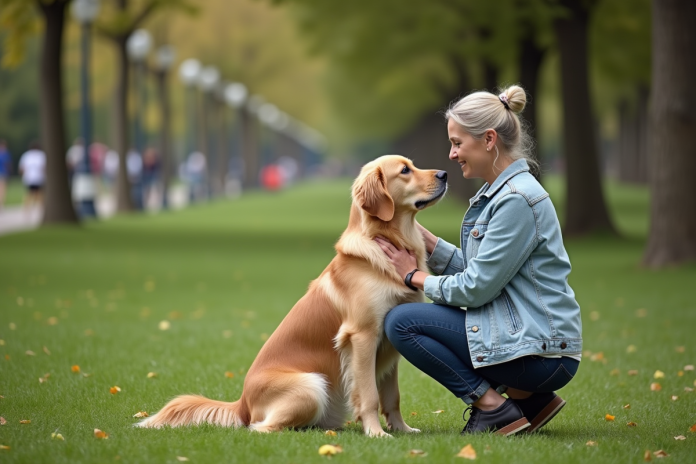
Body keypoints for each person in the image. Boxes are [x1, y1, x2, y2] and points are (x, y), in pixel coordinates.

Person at [374, 85, 582, 436]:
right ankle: (530, 401)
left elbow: (476, 289)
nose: (452, 154)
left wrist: (414, 276)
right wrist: (430, 244)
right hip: (534, 342)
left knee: (402, 322)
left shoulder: (516, 200)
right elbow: (488, 274)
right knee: (410, 319)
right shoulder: (500, 194)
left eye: (457, 143)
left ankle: (493, 408)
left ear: (488, 140)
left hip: (544, 355)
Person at [18, 141, 47, 210]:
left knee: (29, 194)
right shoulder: (41, 155)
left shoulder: (26, 155)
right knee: (40, 194)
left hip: (28, 178)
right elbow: (44, 168)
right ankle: (41, 209)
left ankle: (26, 209)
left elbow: (21, 168)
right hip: (39, 177)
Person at [0, 139, 12, 209]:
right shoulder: (6, 154)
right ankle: (1, 205)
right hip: (3, 173)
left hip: (3, 173)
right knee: (2, 190)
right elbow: (8, 164)